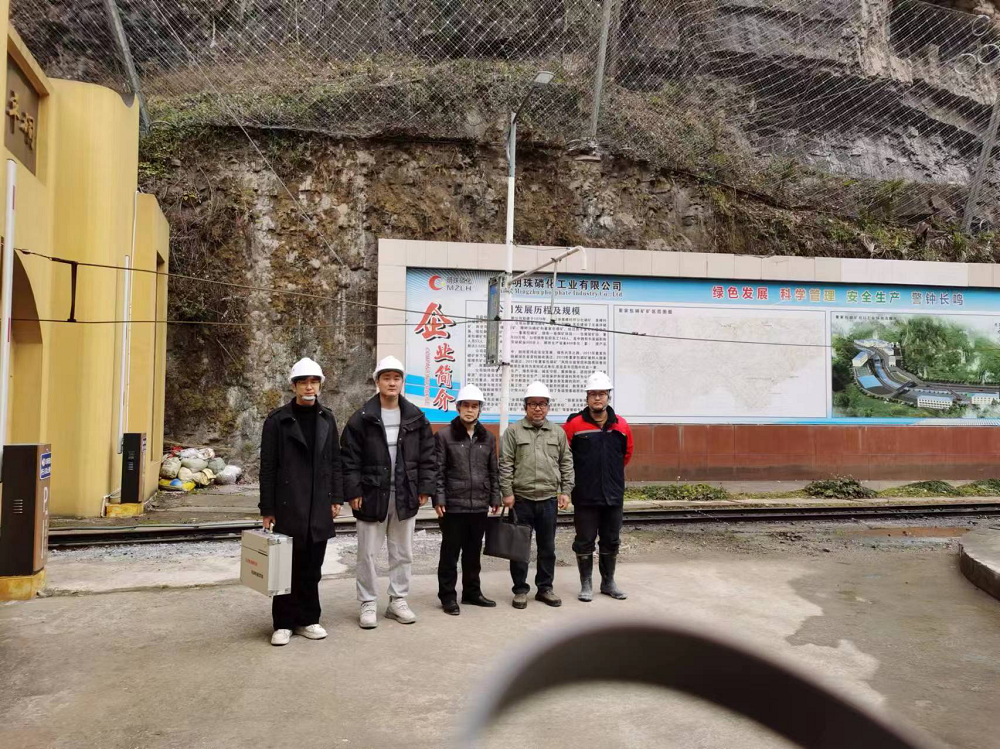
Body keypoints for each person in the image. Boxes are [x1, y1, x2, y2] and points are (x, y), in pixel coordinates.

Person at [341, 355, 436, 629]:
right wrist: (354, 491)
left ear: (402, 382)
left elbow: (428, 456)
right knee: (367, 554)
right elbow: (349, 459)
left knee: (403, 552)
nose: (392, 383)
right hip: (372, 494)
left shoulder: (416, 417)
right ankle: (368, 602)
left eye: (396, 378)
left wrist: (424, 487)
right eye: (386, 378)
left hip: (405, 493)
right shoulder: (362, 418)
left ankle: (398, 600)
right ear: (377, 381)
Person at [258, 357, 344, 646]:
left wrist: (336, 496)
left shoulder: (327, 418)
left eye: (314, 381)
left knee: (312, 567)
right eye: (303, 382)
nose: (309, 387)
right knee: (286, 566)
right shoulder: (277, 420)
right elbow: (268, 467)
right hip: (288, 504)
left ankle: (309, 619)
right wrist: (267, 508)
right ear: (293, 386)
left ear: (320, 385)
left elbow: (335, 461)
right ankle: (283, 623)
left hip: (319, 503)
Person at [498, 381, 574, 609]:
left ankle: (545, 588)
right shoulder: (513, 431)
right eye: (533, 404)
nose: (538, 408)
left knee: (547, 548)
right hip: (521, 499)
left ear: (548, 407)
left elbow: (566, 462)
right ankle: (520, 590)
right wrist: (507, 492)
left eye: (542, 404)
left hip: (548, 499)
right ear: (525, 406)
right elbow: (505, 463)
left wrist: (566, 491)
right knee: (519, 548)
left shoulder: (558, 432)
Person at [563, 372, 634, 602]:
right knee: (584, 540)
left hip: (613, 494)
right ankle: (586, 584)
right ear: (587, 397)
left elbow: (626, 455)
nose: (597, 398)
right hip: (585, 495)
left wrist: (611, 476)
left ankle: (608, 582)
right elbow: (565, 456)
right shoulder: (574, 425)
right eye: (593, 394)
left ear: (608, 396)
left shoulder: (621, 425)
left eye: (601, 394)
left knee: (611, 539)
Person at [433, 384, 501, 615]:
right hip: (453, 504)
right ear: (458, 408)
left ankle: (472, 592)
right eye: (466, 406)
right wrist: (439, 498)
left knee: (473, 553)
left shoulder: (488, 438)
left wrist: (495, 496)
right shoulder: (444, 436)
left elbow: (493, 470)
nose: (470, 410)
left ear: (480, 409)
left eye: (474, 406)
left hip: (479, 504)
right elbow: (438, 470)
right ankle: (448, 596)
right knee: (450, 553)